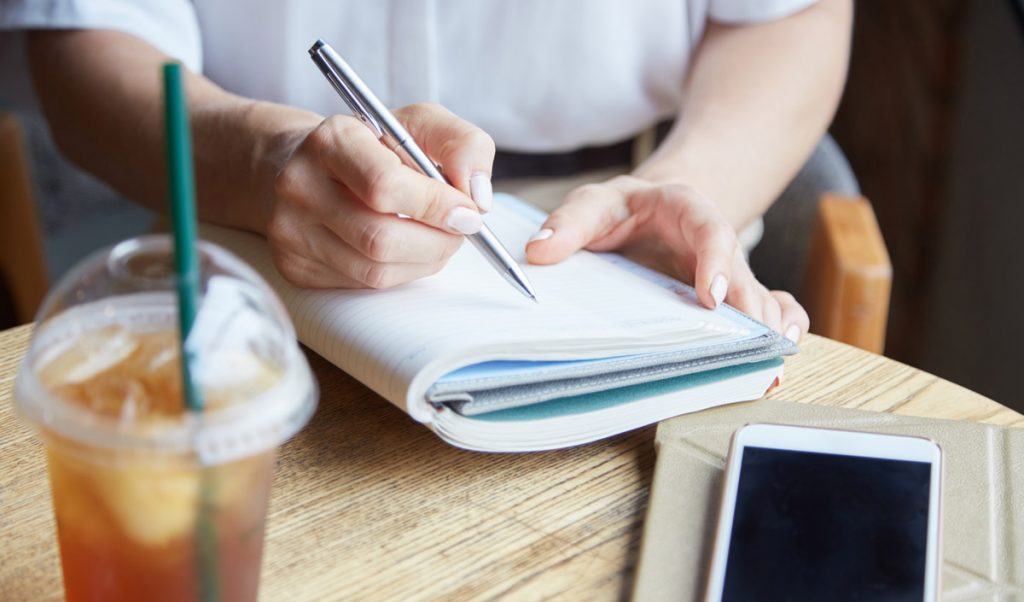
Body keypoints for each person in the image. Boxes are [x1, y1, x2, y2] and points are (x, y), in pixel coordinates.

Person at [0, 1, 852, 343]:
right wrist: (264, 162)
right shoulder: (257, 177)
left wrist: (694, 180)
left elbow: (791, 15)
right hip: (250, 203)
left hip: (633, 206)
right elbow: (84, 38)